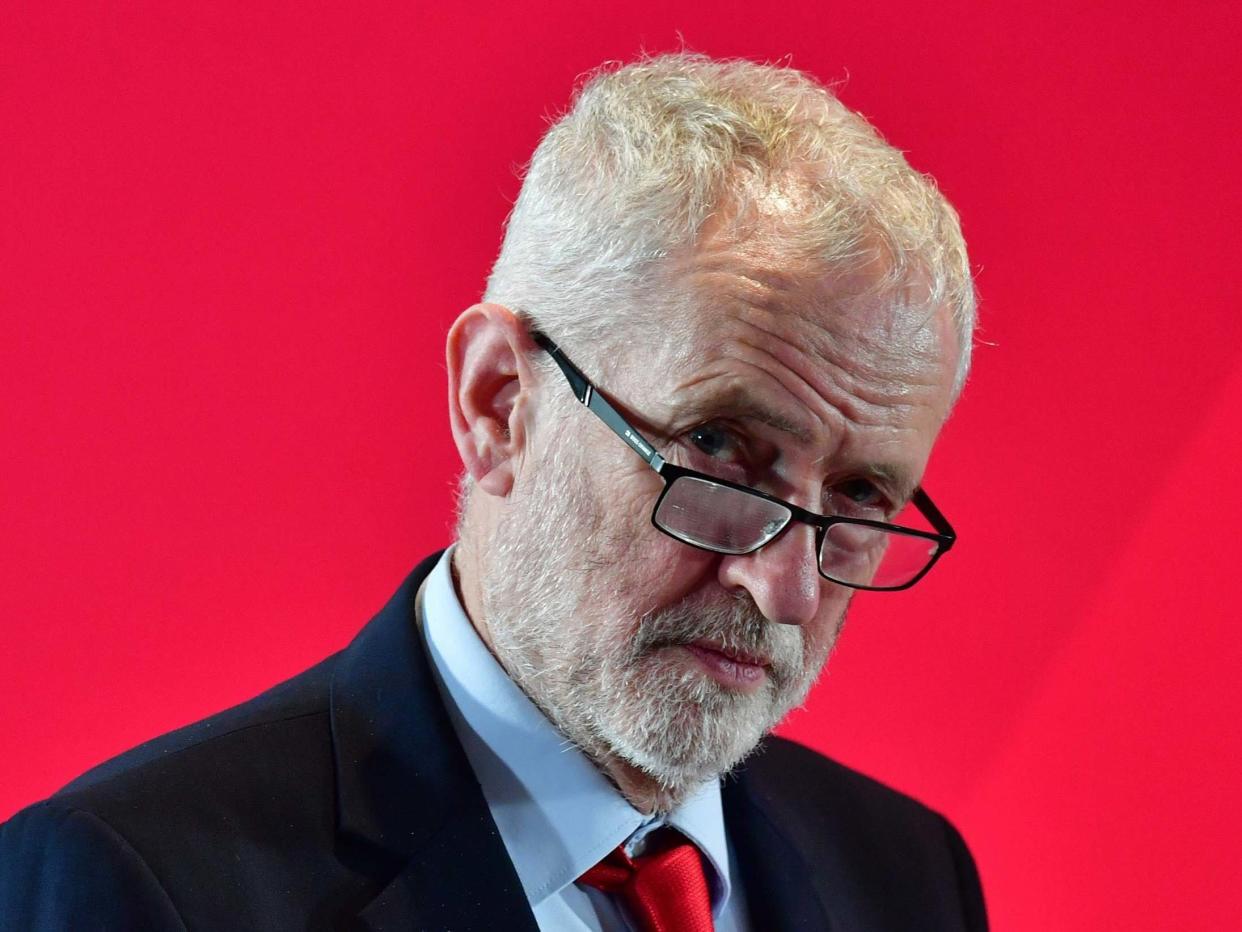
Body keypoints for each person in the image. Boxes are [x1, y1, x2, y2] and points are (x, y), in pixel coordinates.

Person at [0, 53, 987, 930]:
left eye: (859, 496)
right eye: (720, 446)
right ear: (499, 402)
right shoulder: (134, 884)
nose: (786, 589)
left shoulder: (909, 877)